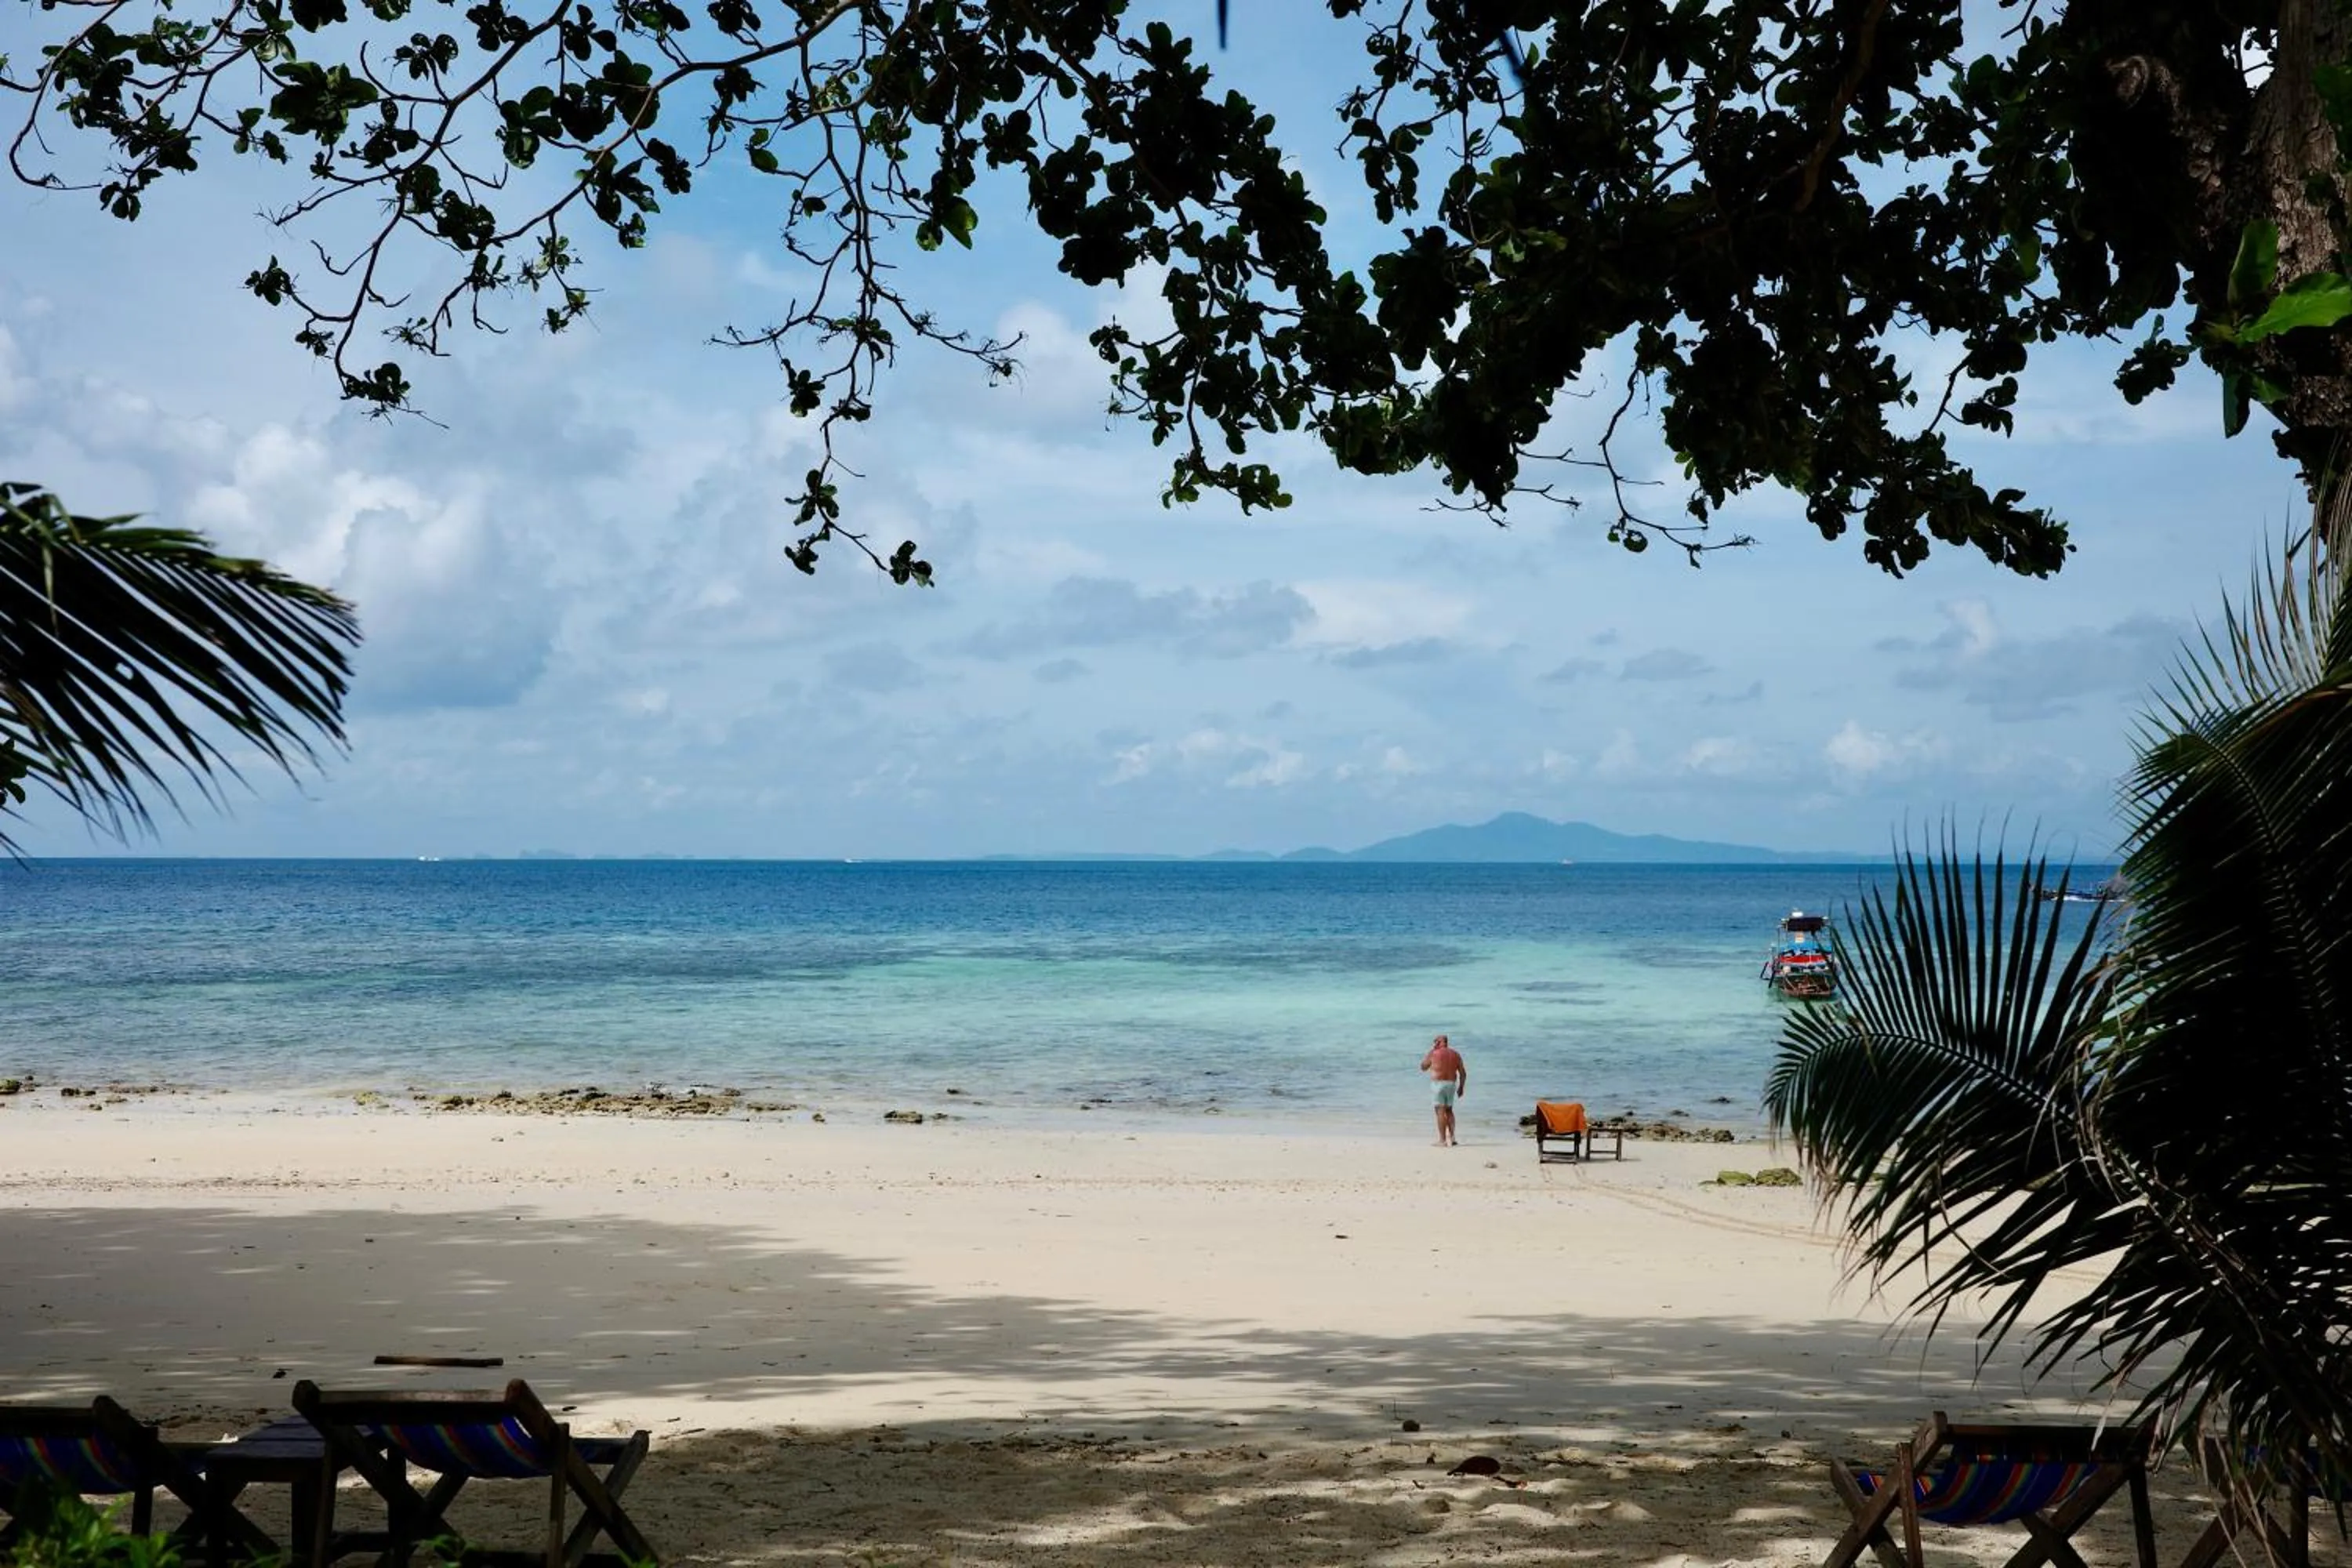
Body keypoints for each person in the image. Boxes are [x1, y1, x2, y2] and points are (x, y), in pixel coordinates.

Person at [1420, 1034, 1466, 1146]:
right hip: (1451, 1084)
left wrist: (1431, 1051)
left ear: (1439, 1042)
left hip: (1438, 1084)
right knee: (1449, 1110)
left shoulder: (1434, 1053)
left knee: (1440, 1111)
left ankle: (1442, 1140)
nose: (1434, 1044)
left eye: (1435, 1042)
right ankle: (1453, 1138)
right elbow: (1463, 1073)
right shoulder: (1456, 1054)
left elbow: (1423, 1067)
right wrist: (1461, 1087)